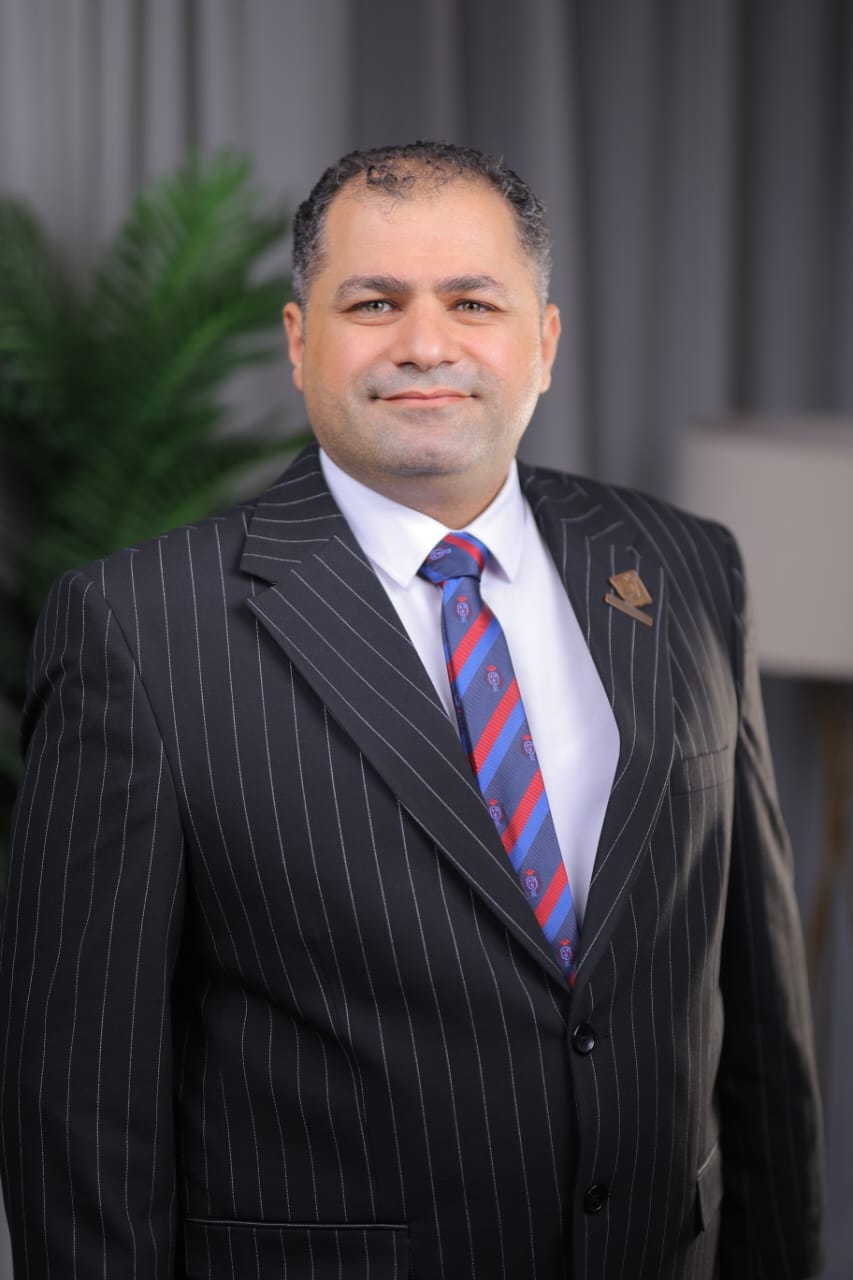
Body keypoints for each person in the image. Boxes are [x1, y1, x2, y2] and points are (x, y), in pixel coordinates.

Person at [0, 141, 825, 1279]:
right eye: (374, 302)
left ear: (543, 341)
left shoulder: (686, 567)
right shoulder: (138, 628)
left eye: (472, 302)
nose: (425, 343)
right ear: (300, 342)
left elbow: (760, 1013)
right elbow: (78, 1104)